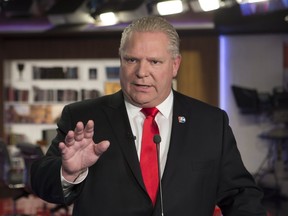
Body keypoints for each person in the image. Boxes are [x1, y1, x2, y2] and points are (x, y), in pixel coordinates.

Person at [30, 16, 266, 216]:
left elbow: (240, 195)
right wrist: (69, 172)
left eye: (154, 62)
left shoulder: (211, 123)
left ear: (174, 65)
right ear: (120, 61)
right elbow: (42, 184)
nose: (142, 72)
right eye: (132, 60)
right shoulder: (82, 117)